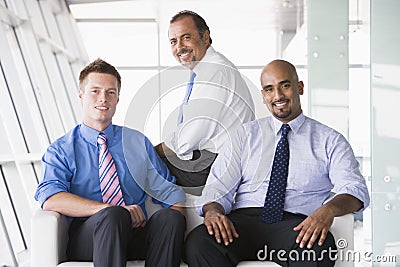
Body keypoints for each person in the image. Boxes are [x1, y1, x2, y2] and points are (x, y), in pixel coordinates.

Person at [184, 59, 370, 266]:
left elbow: (355, 189)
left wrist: (328, 209)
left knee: (318, 248)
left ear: (299, 87)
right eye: (269, 89)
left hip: (296, 226)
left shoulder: (330, 140)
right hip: (243, 223)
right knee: (199, 243)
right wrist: (213, 212)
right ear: (263, 95)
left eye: (285, 85)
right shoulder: (244, 136)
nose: (278, 96)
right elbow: (218, 188)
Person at [34, 58, 186, 267]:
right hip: (90, 237)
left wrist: (180, 233)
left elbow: (171, 195)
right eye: (95, 91)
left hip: (136, 233)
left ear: (117, 98)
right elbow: (50, 197)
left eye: (110, 92)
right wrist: (106, 209)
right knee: (113, 216)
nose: (103, 98)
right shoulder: (61, 149)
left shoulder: (137, 142)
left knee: (171, 219)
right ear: (81, 95)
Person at [155, 10, 255, 193]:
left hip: (218, 167)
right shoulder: (208, 69)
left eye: (186, 37)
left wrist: (150, 152)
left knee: (141, 166)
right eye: (173, 41)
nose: (179, 47)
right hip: (219, 161)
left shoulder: (214, 72)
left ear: (206, 37)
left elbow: (186, 141)